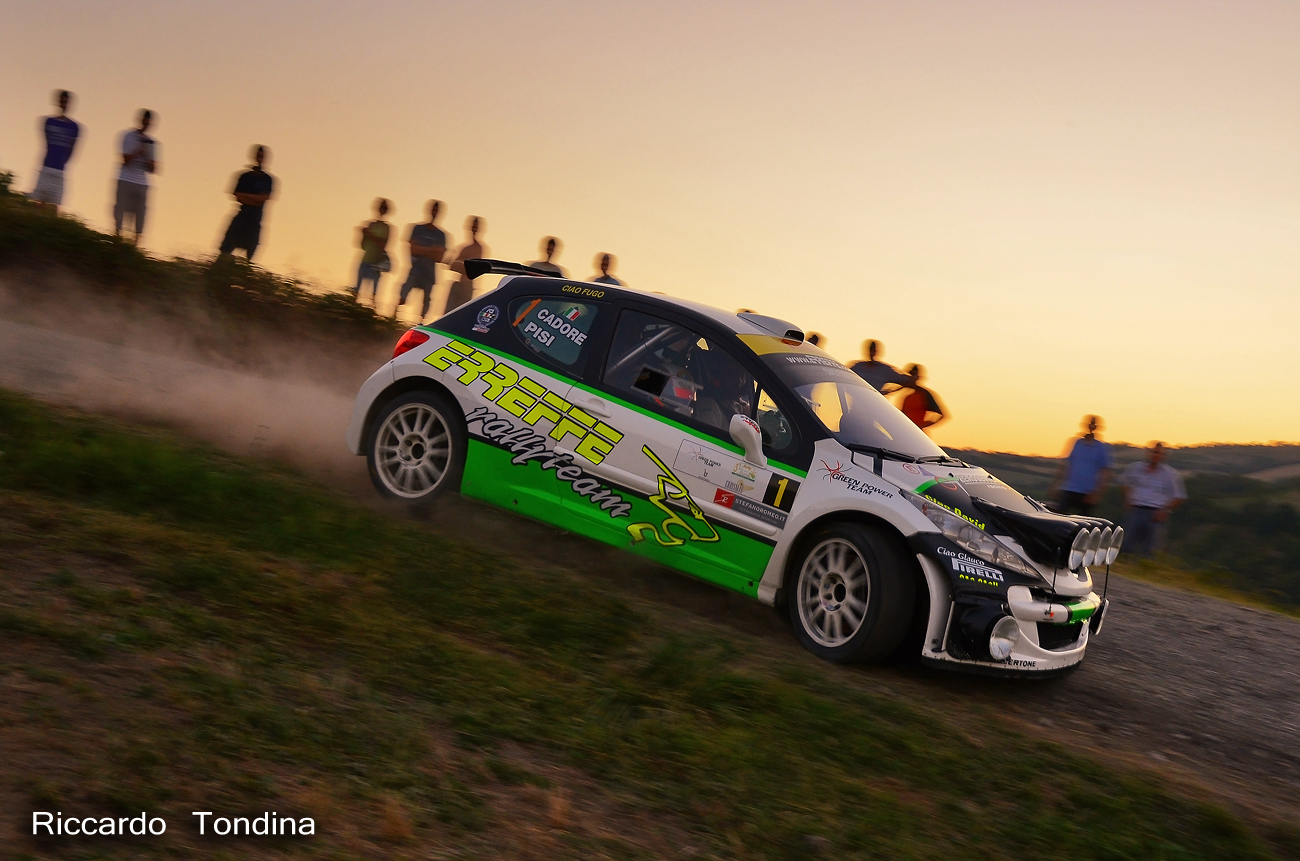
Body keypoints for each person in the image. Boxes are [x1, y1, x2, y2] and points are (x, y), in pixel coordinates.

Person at [1121, 442, 1187, 557]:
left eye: (1159, 453)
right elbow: (1124, 482)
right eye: (1154, 452)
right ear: (1148, 453)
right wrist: (1128, 498)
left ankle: (1145, 566)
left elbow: (1179, 497)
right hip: (1136, 510)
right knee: (1126, 544)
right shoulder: (1135, 468)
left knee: (1150, 550)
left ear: (1164, 456)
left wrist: (1165, 511)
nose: (1156, 455)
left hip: (1155, 514)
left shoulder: (1170, 475)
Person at [217, 145, 275, 262]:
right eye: (258, 156)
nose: (259, 158)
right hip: (241, 218)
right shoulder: (244, 177)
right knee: (224, 253)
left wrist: (247, 197)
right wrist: (255, 199)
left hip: (255, 221)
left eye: (262, 156)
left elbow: (263, 198)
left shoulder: (267, 179)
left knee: (248, 260)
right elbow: (237, 196)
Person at [1047, 415, 1113, 515]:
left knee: (1084, 521)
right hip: (1069, 489)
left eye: (1093, 424)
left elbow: (1106, 472)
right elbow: (1066, 466)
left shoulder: (1101, 447)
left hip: (1088, 493)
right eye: (1090, 423)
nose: (1091, 426)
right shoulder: (1076, 443)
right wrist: (1055, 485)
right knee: (1059, 515)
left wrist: (1097, 493)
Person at [395, 199, 447, 322]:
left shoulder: (441, 235)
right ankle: (393, 319)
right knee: (402, 296)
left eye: (436, 210)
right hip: (415, 269)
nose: (434, 212)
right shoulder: (417, 228)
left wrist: (422, 249)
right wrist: (432, 250)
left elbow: (439, 257)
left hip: (429, 273)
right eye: (433, 209)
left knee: (426, 304)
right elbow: (413, 250)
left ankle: (420, 324)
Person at [28, 90, 80, 213]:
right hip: (46, 166)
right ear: (58, 102)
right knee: (39, 201)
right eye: (62, 101)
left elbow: (72, 148)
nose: (64, 105)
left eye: (66, 102)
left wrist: (63, 161)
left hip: (60, 169)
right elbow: (46, 142)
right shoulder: (48, 122)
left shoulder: (74, 127)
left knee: (55, 204)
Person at [114, 109, 158, 244]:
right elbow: (125, 160)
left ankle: (135, 244)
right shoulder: (128, 136)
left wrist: (147, 157)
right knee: (120, 209)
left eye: (149, 123)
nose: (146, 125)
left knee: (141, 213)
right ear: (140, 121)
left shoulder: (151, 142)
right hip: (125, 179)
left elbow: (154, 169)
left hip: (142, 182)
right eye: (145, 122)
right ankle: (117, 238)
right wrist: (138, 151)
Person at [444, 216, 487, 314]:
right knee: (448, 313)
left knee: (461, 314)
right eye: (473, 227)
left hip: (467, 286)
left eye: (476, 227)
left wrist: (460, 265)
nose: (474, 229)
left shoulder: (479, 248)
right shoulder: (465, 248)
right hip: (458, 284)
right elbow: (452, 265)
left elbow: (471, 268)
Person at [354, 198, 392, 304]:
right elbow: (362, 246)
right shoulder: (370, 224)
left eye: (384, 208)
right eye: (381, 207)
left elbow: (383, 246)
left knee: (374, 296)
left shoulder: (386, 227)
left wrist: (371, 235)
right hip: (365, 260)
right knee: (356, 291)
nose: (382, 210)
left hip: (376, 264)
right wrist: (362, 234)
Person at [899, 364, 946, 432]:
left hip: (916, 433)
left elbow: (941, 415)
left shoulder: (924, 394)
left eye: (913, 375)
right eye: (909, 375)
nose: (911, 377)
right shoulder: (905, 394)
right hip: (904, 431)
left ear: (918, 377)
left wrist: (921, 425)